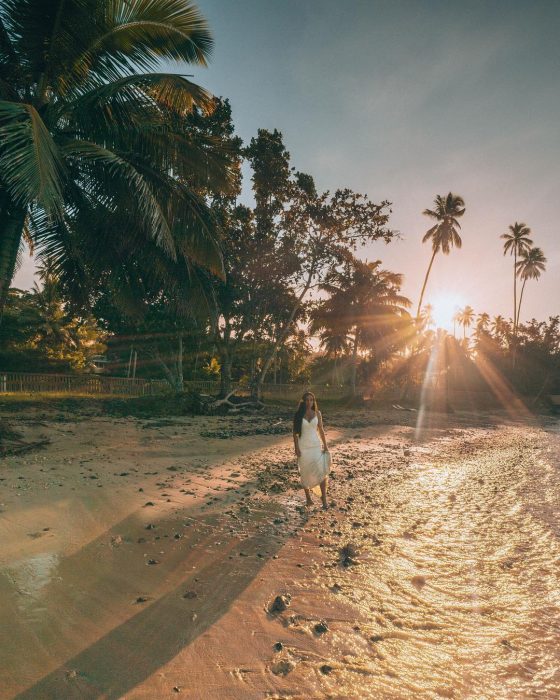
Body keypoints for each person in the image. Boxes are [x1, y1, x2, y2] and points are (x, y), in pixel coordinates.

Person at [293, 391, 330, 509]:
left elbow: (321, 431)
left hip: (315, 446)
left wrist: (325, 445)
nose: (309, 402)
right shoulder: (298, 414)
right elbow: (295, 434)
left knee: (321, 472)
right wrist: (296, 448)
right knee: (305, 472)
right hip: (303, 447)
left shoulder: (317, 413)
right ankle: (308, 498)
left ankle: (324, 499)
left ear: (314, 401)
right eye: (307, 400)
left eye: (311, 400)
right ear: (303, 401)